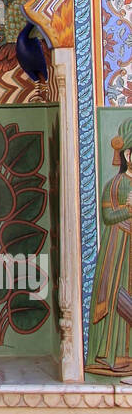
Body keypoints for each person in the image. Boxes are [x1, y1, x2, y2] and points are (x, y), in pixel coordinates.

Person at [87, 120, 132, 374]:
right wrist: (126, 209)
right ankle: (112, 355)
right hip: (119, 248)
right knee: (117, 295)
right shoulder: (115, 185)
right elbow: (107, 217)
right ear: (127, 154)